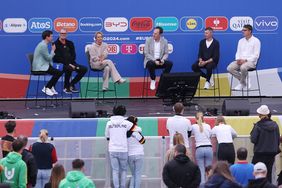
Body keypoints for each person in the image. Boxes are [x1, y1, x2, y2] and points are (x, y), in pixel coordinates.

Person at [105, 105, 134, 188]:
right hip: (123, 149)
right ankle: (122, 186)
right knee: (124, 170)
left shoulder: (109, 123)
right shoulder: (127, 123)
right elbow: (137, 129)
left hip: (112, 149)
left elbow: (107, 136)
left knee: (115, 170)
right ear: (124, 112)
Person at [251, 105, 280, 182]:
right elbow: (277, 139)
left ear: (260, 115)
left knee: (257, 172)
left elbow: (253, 139)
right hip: (271, 153)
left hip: (259, 153)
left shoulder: (258, 125)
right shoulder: (275, 125)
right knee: (268, 173)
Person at [53, 28, 87, 94]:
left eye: (64, 33)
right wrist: (68, 64)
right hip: (60, 64)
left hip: (71, 63)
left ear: (66, 34)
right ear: (59, 34)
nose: (63, 35)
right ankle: (66, 87)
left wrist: (71, 63)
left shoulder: (70, 43)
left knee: (84, 69)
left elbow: (73, 55)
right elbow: (57, 58)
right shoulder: (55, 44)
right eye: (62, 33)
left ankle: (71, 84)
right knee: (69, 68)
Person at [227, 24, 261, 90]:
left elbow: (256, 55)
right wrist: (238, 59)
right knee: (229, 68)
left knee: (243, 67)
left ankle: (242, 83)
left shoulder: (256, 41)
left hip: (250, 62)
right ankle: (244, 81)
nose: (243, 31)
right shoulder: (240, 41)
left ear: (250, 31)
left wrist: (245, 60)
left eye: (244, 30)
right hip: (240, 60)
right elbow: (238, 52)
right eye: (242, 30)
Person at [32, 30, 63, 96]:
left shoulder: (43, 44)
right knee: (58, 73)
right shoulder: (43, 45)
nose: (52, 38)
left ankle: (51, 87)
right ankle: (47, 87)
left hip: (43, 65)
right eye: (51, 36)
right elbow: (48, 58)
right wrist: (53, 50)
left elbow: (47, 58)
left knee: (58, 72)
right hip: (39, 67)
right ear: (47, 37)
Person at [191, 111, 213, 184]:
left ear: (195, 119)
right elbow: (210, 135)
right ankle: (209, 184)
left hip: (199, 148)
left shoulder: (194, 126)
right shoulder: (208, 126)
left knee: (201, 170)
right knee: (209, 170)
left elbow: (190, 133)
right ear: (203, 118)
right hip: (209, 148)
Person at [127, 116, 145, 188]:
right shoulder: (137, 131)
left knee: (133, 174)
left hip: (129, 155)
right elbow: (143, 141)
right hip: (139, 154)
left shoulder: (125, 132)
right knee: (137, 174)